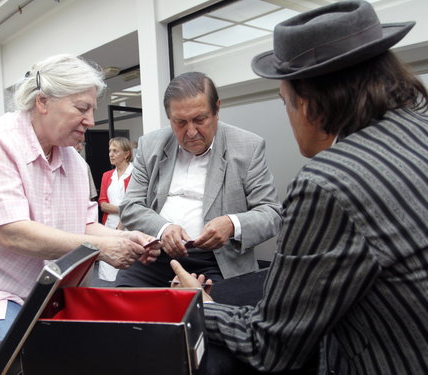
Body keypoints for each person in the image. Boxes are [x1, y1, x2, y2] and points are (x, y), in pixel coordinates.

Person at [170, 1, 428, 374]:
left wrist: (199, 304)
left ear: (307, 104)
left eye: (284, 103)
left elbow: (272, 345)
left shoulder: (327, 182)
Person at [0, 54, 161, 358]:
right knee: (32, 358)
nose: (90, 120)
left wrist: (126, 239)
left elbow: (84, 225)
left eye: (92, 110)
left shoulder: (72, 160)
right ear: (43, 102)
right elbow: (13, 233)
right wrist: (101, 249)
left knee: (107, 348)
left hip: (42, 295)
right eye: (81, 108)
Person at [116, 71, 282, 287]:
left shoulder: (247, 147)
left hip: (218, 261)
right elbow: (130, 206)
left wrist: (232, 224)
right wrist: (163, 229)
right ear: (169, 118)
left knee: (213, 315)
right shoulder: (151, 145)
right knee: (122, 302)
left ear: (217, 110)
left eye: (199, 119)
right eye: (180, 122)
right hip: (157, 255)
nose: (191, 131)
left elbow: (271, 213)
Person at [98, 136, 134, 281]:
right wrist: (124, 208)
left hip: (130, 226)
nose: (111, 154)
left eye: (115, 151)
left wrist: (122, 223)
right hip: (109, 226)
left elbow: (135, 204)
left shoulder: (136, 174)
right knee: (108, 273)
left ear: (126, 154)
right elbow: (102, 204)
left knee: (129, 271)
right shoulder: (107, 176)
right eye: (110, 151)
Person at [75, 134, 97, 200]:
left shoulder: (84, 165)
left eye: (82, 144)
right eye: (78, 142)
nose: (80, 147)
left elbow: (92, 197)